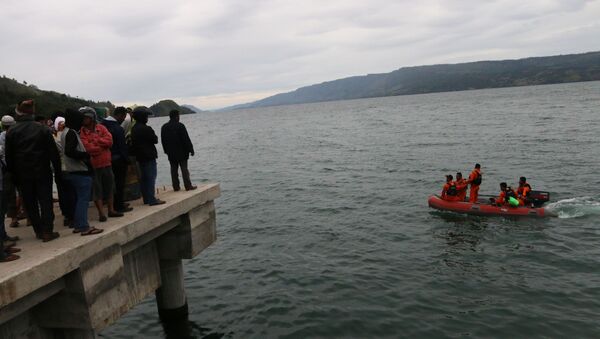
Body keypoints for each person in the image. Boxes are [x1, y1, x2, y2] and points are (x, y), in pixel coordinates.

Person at [5, 100, 61, 242]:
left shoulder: (11, 131)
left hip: (23, 174)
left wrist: (13, 175)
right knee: (46, 201)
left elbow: (9, 157)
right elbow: (53, 153)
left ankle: (39, 231)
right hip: (42, 171)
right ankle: (48, 231)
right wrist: (58, 172)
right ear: (32, 112)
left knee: (30, 203)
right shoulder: (42, 129)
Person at [61, 108, 103, 235]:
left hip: (72, 171)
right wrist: (85, 155)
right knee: (83, 200)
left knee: (80, 199)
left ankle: (79, 225)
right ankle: (83, 226)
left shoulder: (65, 132)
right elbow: (70, 151)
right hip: (79, 170)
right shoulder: (72, 133)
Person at [79, 107, 123, 221]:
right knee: (97, 190)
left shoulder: (101, 128)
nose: (83, 120)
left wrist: (96, 141)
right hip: (94, 165)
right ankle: (101, 214)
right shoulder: (82, 132)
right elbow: (87, 148)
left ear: (91, 117)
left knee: (110, 188)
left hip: (107, 163)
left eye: (85, 117)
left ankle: (111, 210)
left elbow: (110, 141)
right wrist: (101, 145)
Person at [131, 107, 165, 205]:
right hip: (149, 156)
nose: (147, 118)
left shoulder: (134, 129)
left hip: (140, 157)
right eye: (146, 116)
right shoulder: (146, 128)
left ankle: (146, 198)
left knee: (144, 179)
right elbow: (155, 140)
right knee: (150, 178)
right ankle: (151, 199)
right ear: (142, 117)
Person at [102, 106, 132, 213]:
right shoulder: (118, 129)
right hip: (118, 160)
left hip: (106, 159)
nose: (124, 120)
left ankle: (114, 204)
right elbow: (122, 147)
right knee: (120, 184)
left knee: (111, 184)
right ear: (119, 115)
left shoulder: (102, 125)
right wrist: (127, 161)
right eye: (123, 117)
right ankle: (119, 205)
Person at [161, 110, 197, 191]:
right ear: (177, 116)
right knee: (184, 169)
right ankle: (188, 186)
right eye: (179, 116)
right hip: (182, 152)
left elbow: (163, 141)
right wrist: (191, 149)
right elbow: (186, 139)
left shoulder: (164, 127)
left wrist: (166, 151)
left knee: (173, 170)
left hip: (171, 153)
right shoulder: (180, 126)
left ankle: (176, 187)